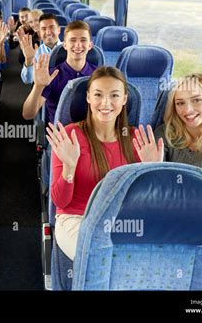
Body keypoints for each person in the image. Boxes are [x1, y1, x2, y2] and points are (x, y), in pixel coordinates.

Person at [47, 66, 141, 261]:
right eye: (98, 94)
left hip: (122, 220)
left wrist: (151, 169)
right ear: (88, 97)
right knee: (101, 260)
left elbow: (143, 203)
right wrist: (69, 167)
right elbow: (60, 202)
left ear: (124, 99)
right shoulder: (70, 136)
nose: (106, 103)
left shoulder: (136, 140)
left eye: (114, 95)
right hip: (76, 219)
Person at [22, 20, 97, 125]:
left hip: (91, 133)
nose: (78, 45)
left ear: (90, 45)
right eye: (73, 40)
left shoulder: (98, 76)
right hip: (59, 136)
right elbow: (28, 114)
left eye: (83, 40)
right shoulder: (51, 75)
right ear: (65, 45)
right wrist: (38, 86)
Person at [19, 13, 62, 84]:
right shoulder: (36, 52)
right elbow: (27, 80)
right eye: (43, 29)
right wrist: (29, 59)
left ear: (59, 30)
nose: (48, 32)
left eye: (51, 27)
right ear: (40, 32)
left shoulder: (69, 49)